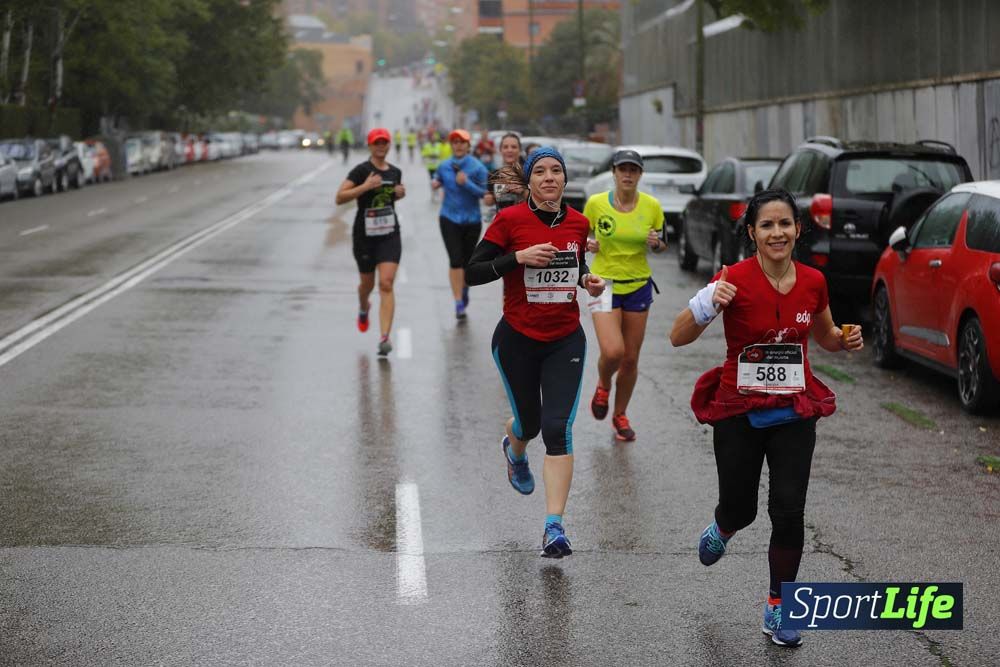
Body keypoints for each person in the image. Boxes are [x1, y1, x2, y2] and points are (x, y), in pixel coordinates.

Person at [669, 188, 864, 648]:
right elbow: (678, 336)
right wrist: (706, 303)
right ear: (752, 233)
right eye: (767, 225)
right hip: (739, 410)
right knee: (743, 507)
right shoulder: (731, 279)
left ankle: (780, 606)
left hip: (794, 410)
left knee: (789, 510)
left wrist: (844, 338)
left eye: (785, 224)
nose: (777, 233)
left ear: (798, 229)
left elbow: (826, 335)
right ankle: (724, 525)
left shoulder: (814, 281)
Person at [465, 147, 606, 557]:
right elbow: (473, 272)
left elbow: (573, 264)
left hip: (565, 339)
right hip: (517, 340)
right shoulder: (509, 220)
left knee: (557, 427)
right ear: (529, 181)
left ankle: (554, 527)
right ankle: (514, 450)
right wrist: (516, 258)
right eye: (540, 171)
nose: (549, 177)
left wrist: (587, 280)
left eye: (556, 170)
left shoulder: (579, 223)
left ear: (564, 179)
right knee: (528, 424)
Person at [583, 150, 667, 441]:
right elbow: (581, 236)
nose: (628, 175)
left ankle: (620, 415)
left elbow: (662, 243)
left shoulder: (652, 206)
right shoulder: (595, 204)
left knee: (630, 359)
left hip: (638, 285)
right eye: (623, 169)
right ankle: (603, 384)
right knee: (613, 352)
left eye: (634, 170)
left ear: (640, 175)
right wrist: (589, 243)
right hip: (603, 283)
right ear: (614, 173)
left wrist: (656, 243)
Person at [335, 128, 406, 356]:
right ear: (369, 145)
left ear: (389, 145)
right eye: (376, 143)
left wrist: (399, 192)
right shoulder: (361, 170)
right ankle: (364, 306)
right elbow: (339, 197)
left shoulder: (396, 172)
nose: (380, 146)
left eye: (384, 143)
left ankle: (384, 337)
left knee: (386, 283)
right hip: (364, 237)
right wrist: (365, 186)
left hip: (389, 234)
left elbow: (393, 195)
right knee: (367, 285)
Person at [431, 129, 489, 320]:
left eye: (462, 142)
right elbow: (437, 178)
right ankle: (458, 302)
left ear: (468, 145)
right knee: (455, 260)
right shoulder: (444, 165)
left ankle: (464, 291)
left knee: (466, 262)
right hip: (448, 218)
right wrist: (435, 183)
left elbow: (487, 195)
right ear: (451, 145)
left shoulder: (478, 167)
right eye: (454, 142)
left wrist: (467, 184)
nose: (458, 145)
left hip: (471, 220)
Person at [484, 133, 526, 211]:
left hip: (523, 221)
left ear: (519, 150)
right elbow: (490, 201)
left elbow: (539, 199)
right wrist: (488, 200)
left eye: (514, 147)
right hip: (502, 221)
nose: (509, 150)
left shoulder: (528, 173)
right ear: (500, 150)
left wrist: (523, 192)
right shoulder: (493, 175)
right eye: (505, 147)